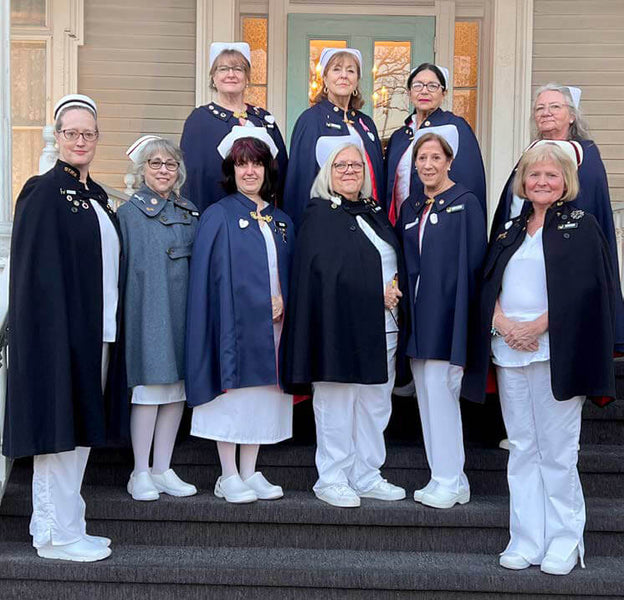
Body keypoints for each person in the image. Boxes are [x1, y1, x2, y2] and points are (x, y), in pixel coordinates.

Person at [462, 143, 617, 575]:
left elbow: (587, 290)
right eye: (534, 175)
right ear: (523, 182)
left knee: (558, 450)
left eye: (551, 175)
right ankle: (526, 537)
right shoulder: (511, 228)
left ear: (566, 181)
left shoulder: (581, 225)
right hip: (509, 351)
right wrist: (502, 322)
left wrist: (540, 325)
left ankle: (565, 540)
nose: (542, 182)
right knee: (524, 447)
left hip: (556, 351)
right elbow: (488, 283)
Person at [3, 94, 129, 562]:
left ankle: (66, 523)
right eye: (72, 133)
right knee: (59, 432)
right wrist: (51, 335)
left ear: (97, 139)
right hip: (62, 336)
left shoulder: (96, 197)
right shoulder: (43, 192)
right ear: (57, 137)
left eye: (88, 134)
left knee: (77, 433)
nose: (81, 140)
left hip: (97, 331)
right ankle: (54, 535)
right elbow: (34, 275)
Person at [284, 136, 406, 508]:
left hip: (384, 326)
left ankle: (366, 473)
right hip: (338, 328)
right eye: (341, 166)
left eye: (356, 166)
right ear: (328, 173)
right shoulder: (319, 217)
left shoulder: (371, 212)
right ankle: (332, 477)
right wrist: (375, 294)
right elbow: (324, 276)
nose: (350, 171)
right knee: (337, 402)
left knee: (375, 403)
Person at [185, 127, 294, 504]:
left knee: (262, 398)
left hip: (275, 327)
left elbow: (287, 270)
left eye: (257, 164)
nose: (250, 172)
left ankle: (250, 470)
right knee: (233, 399)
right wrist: (257, 303)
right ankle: (227, 474)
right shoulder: (219, 216)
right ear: (232, 170)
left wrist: (284, 299)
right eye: (242, 164)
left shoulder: (282, 220)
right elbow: (211, 279)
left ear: (267, 169)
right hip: (233, 327)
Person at [491, 83, 624, 350]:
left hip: (562, 262)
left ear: (572, 115)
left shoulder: (585, 154)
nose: (546, 112)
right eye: (539, 108)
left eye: (554, 106)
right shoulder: (530, 152)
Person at [397, 126, 487, 509]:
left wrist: (464, 325)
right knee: (428, 401)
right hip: (418, 321)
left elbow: (473, 267)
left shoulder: (466, 202)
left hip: (448, 320)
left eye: (436, 158)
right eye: (422, 158)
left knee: (443, 398)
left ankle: (453, 478)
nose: (428, 164)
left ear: (449, 161)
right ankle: (442, 477)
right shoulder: (411, 207)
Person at [117, 136, 199, 501]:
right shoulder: (128, 214)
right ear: (142, 169)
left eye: (170, 164)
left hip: (184, 312)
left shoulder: (190, 211)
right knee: (150, 391)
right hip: (147, 309)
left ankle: (163, 468)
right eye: (156, 164)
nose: (164, 170)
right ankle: (140, 471)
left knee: (176, 392)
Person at [180, 42, 287, 213]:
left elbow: (280, 173)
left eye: (238, 69)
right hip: (217, 215)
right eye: (223, 69)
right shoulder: (200, 120)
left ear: (247, 77)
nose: (231, 74)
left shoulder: (263, 119)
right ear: (213, 77)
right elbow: (193, 178)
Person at [284, 47, 384, 228]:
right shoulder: (310, 120)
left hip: (367, 219)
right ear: (324, 78)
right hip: (326, 223)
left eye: (351, 70)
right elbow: (300, 183)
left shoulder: (366, 123)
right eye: (336, 69)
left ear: (357, 80)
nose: (344, 75)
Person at [385, 63, 486, 224]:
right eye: (418, 85)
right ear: (409, 92)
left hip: (441, 225)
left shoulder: (456, 127)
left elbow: (470, 182)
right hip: (400, 225)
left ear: (444, 93)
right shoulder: (399, 137)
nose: (424, 91)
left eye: (433, 86)